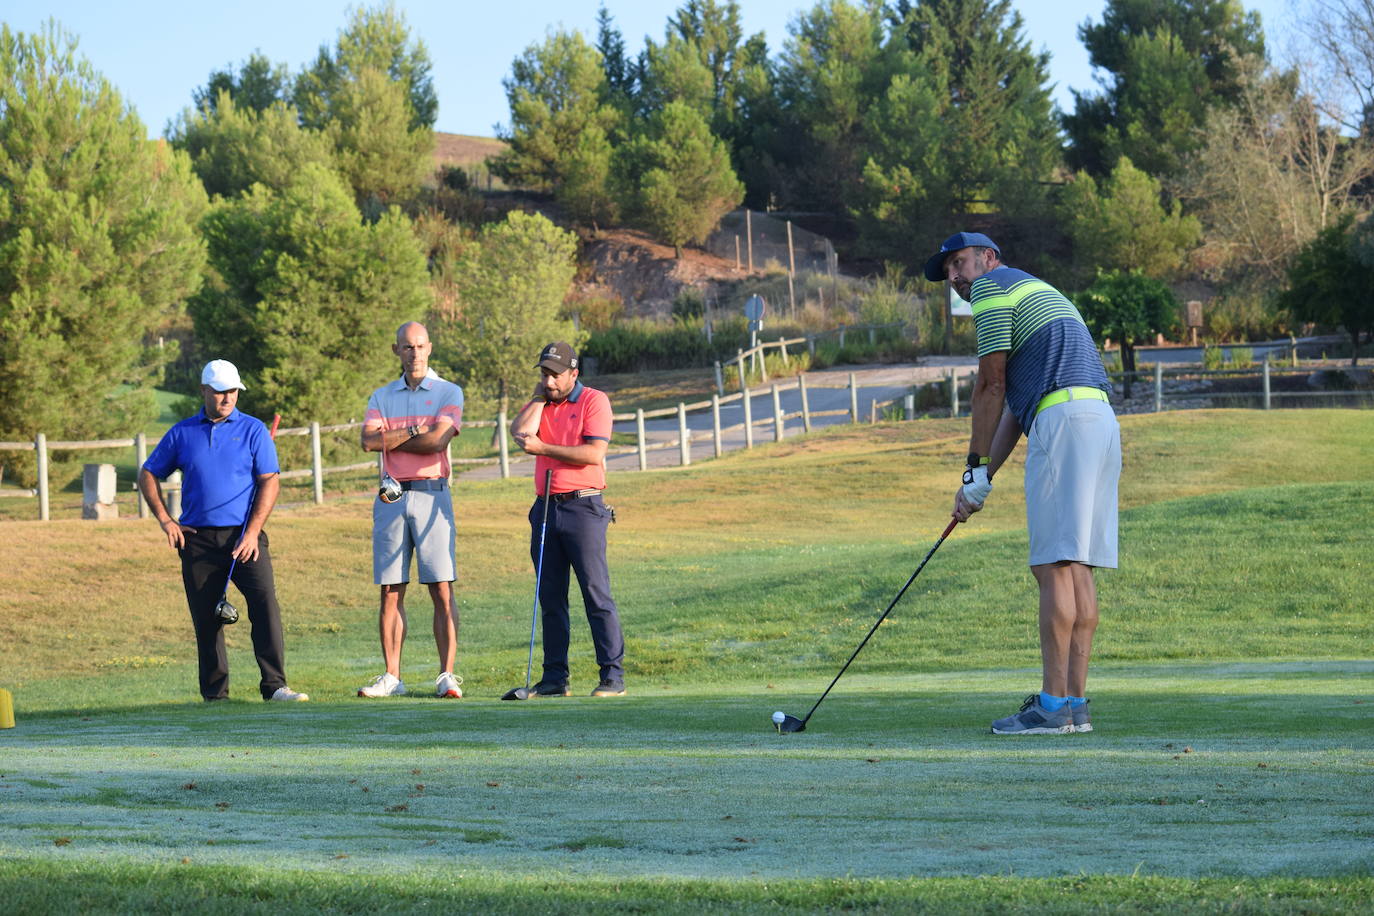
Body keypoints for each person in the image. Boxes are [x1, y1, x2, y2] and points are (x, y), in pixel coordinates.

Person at [924, 232, 1121, 735]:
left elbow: (989, 386)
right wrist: (981, 481)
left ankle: (1052, 707)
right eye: (948, 270)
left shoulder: (992, 291)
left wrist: (971, 463)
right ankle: (1074, 706)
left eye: (960, 263)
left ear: (989, 259)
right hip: (1098, 421)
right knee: (1077, 567)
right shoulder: (1034, 291)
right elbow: (1014, 404)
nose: (955, 276)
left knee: (1053, 565)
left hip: (1063, 422)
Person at [138, 359, 308, 703]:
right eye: (219, 392)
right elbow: (148, 473)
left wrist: (253, 532)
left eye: (232, 391)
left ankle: (275, 686)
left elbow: (269, 482)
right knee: (207, 617)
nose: (227, 398)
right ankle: (215, 695)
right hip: (197, 538)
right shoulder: (182, 433)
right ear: (204, 391)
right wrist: (166, 520)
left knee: (265, 606)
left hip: (246, 536)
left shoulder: (253, 429)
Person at [357, 321, 466, 700]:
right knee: (390, 589)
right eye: (407, 347)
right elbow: (369, 442)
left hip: (433, 493)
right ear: (396, 350)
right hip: (391, 497)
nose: (414, 353)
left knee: (441, 588)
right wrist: (413, 431)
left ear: (430, 348)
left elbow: (438, 441)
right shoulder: (381, 396)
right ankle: (392, 676)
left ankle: (447, 675)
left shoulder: (448, 392)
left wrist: (396, 439)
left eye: (420, 346)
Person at [510, 341, 626, 697]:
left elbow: (593, 453)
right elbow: (519, 434)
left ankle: (612, 676)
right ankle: (554, 679)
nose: (549, 380)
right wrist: (539, 399)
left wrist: (544, 448)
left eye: (555, 375)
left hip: (584, 508)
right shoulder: (542, 402)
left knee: (595, 594)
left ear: (573, 374)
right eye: (544, 373)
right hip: (545, 507)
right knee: (551, 597)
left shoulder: (594, 400)